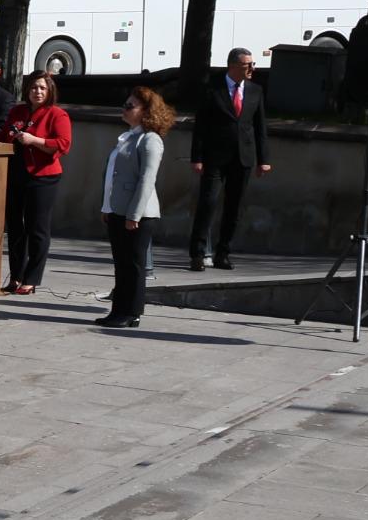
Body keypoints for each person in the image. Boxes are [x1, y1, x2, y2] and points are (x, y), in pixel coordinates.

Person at [190, 47, 271, 271]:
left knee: (234, 207)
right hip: (215, 157)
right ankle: (197, 253)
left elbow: (260, 128)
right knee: (208, 203)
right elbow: (201, 127)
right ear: (233, 66)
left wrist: (264, 159)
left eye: (253, 64)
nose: (253, 68)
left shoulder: (255, 91)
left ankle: (223, 253)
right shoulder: (213, 89)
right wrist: (196, 157)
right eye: (248, 65)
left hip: (243, 158)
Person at [99, 87, 173, 330]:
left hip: (137, 214)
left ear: (145, 112)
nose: (125, 108)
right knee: (121, 264)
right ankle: (118, 310)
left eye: (130, 106)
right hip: (117, 210)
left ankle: (133, 312)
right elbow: (113, 175)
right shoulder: (129, 136)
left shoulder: (150, 140)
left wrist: (134, 214)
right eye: (125, 104)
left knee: (134, 265)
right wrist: (107, 206)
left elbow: (146, 180)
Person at [0, 71, 73, 295]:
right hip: (16, 173)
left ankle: (31, 278)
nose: (37, 92)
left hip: (43, 176)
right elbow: (3, 137)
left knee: (37, 228)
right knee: (15, 227)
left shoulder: (57, 115)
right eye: (33, 87)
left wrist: (35, 140)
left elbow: (63, 144)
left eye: (42, 88)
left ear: (49, 91)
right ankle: (16, 277)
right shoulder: (17, 111)